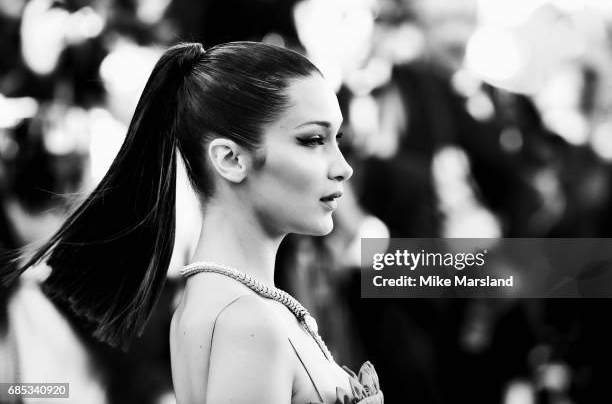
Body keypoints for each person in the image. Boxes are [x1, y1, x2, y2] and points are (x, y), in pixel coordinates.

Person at [0, 41, 383, 404]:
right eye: (313, 139)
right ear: (231, 160)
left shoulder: (237, 306)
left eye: (337, 138)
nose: (342, 167)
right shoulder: (247, 321)